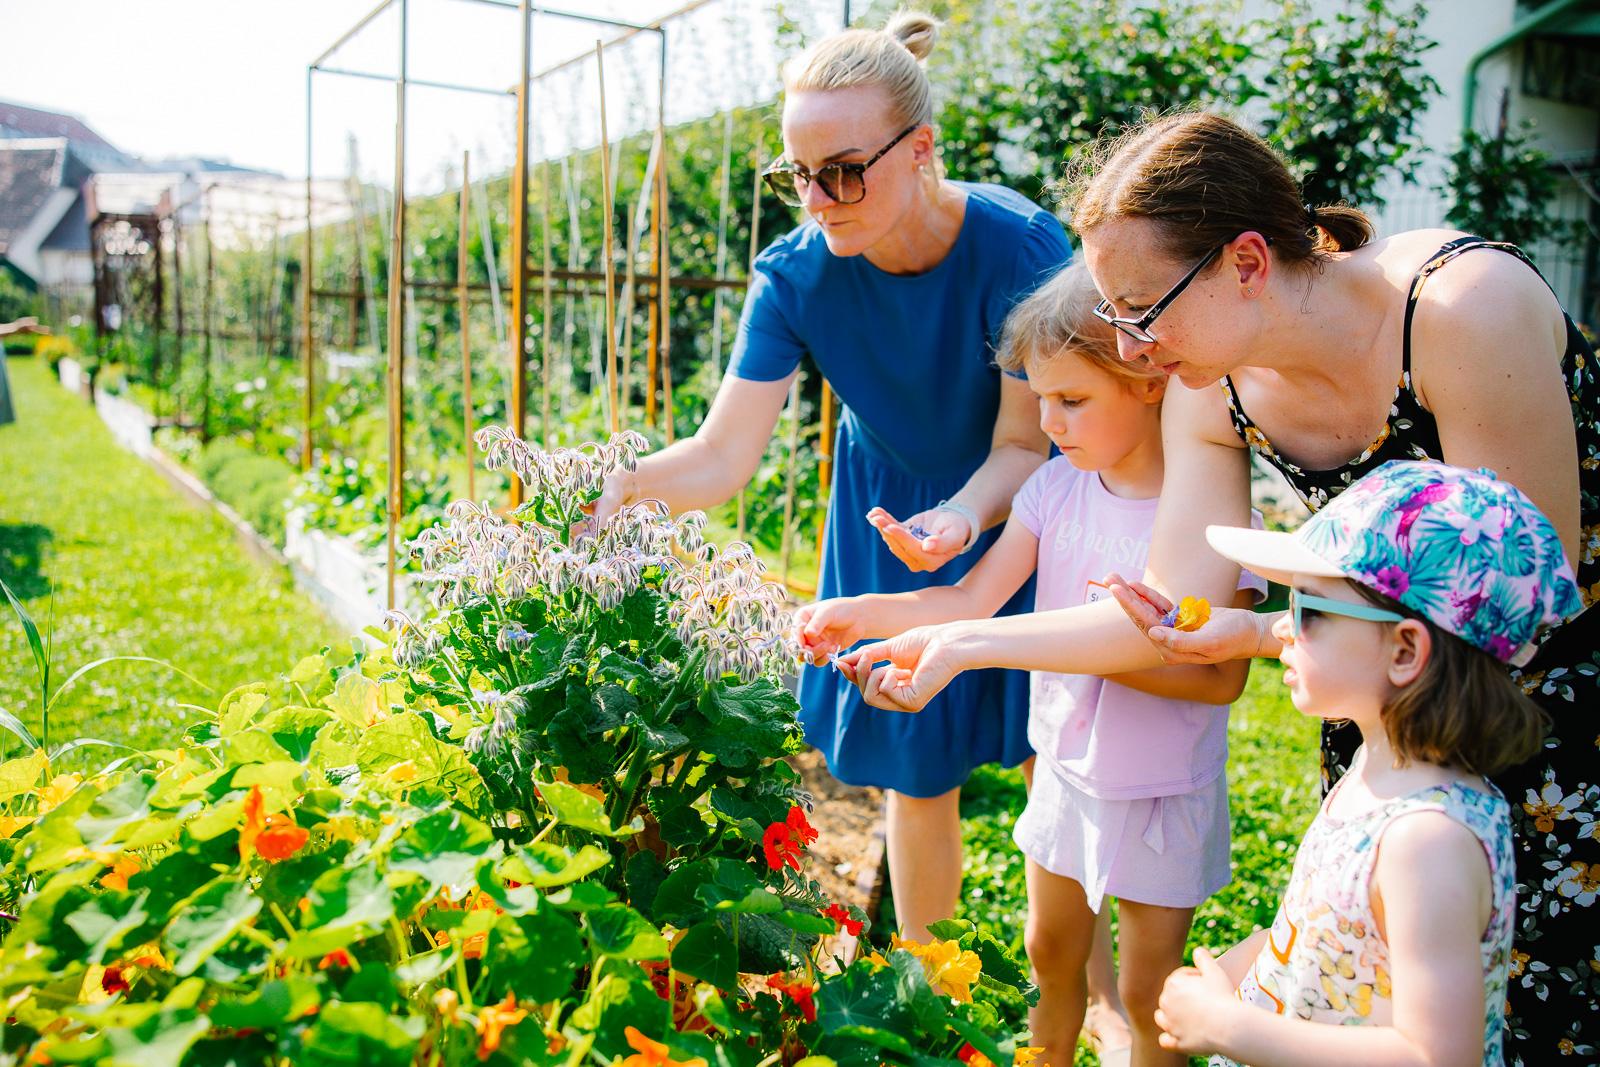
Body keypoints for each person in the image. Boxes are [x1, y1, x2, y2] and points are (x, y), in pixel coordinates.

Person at [839, 111, 1599, 1060]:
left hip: (1542, 689)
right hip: (1381, 667)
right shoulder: (1214, 380)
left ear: (1246, 262)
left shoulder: (1462, 308)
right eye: (1114, 314)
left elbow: (1509, 604)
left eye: (1141, 308)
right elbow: (1171, 608)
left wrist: (1277, 633)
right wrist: (963, 639)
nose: (1133, 349)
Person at [589, 4, 1088, 974]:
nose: (819, 199)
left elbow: (1025, 440)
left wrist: (963, 517)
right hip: (887, 510)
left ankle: (1059, 985)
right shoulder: (794, 279)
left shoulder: (1021, 248)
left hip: (1024, 500)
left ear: (920, 150)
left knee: (1049, 746)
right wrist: (607, 490)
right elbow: (719, 458)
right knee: (914, 767)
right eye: (797, 176)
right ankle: (927, 984)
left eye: (844, 171)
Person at [797, 262, 1261, 1067]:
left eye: (1072, 400)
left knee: (1151, 991)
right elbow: (967, 601)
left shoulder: (1210, 515)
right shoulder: (1050, 491)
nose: (1047, 421)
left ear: (1151, 380)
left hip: (1164, 789)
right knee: (1049, 951)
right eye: (1039, 397)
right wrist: (861, 612)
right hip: (1064, 776)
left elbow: (1220, 676)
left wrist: (1087, 649)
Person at [1154, 461, 1580, 1066]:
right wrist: (1252, 961)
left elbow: (1437, 1056)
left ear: (1406, 649)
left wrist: (1230, 1029)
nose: (1282, 628)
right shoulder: (1375, 776)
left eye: (1311, 611)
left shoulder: (1425, 838)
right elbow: (1338, 938)